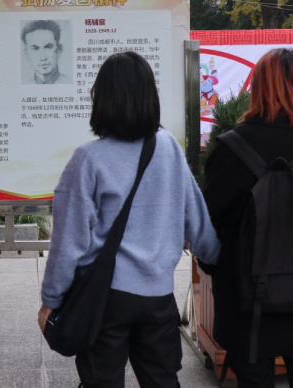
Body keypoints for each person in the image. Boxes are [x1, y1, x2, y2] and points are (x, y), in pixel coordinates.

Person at [38, 51, 220, 388]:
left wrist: (52, 299)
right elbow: (196, 219)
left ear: (102, 100)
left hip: (105, 299)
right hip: (158, 295)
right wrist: (216, 258)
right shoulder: (168, 148)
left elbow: (68, 243)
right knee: (163, 380)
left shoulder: (88, 159)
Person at [201, 48, 293, 388]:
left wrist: (211, 262)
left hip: (246, 287)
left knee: (253, 376)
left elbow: (210, 211)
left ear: (259, 86)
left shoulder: (231, 146)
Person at [22, 19, 70, 84]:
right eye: (35, 49)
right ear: (26, 53)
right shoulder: (24, 84)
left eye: (48, 47)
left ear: (59, 50)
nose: (43, 58)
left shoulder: (69, 82)